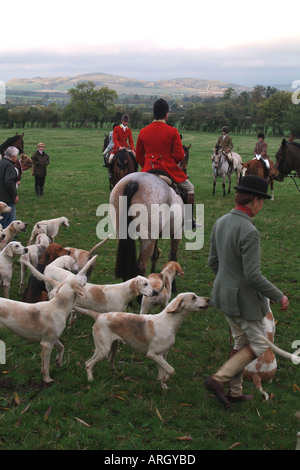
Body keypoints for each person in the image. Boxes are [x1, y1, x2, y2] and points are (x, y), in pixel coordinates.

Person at [205, 175, 289, 408]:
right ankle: (217, 380)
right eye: (262, 200)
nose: (262, 205)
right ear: (254, 200)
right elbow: (253, 275)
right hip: (241, 301)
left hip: (222, 294)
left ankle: (235, 391)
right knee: (260, 344)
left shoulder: (220, 221)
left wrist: (226, 280)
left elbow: (213, 262)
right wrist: (278, 295)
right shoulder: (250, 231)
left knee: (241, 342)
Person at [135, 98, 197, 228]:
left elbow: (139, 156)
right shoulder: (173, 131)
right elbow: (180, 155)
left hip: (148, 170)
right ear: (166, 115)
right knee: (190, 188)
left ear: (154, 113)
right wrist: (169, 161)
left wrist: (147, 165)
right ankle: (188, 221)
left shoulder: (143, 131)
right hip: (167, 170)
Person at [0, 146, 19, 228]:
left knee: (2, 220)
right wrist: (14, 195)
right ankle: (8, 239)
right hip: (7, 197)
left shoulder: (1, 162)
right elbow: (9, 181)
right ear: (13, 156)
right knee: (9, 220)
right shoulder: (10, 166)